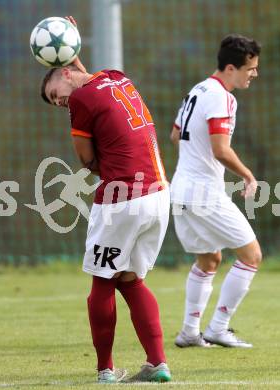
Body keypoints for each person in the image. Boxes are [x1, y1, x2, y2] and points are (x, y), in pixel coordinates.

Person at [40, 16, 171, 384]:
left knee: (102, 282)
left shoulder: (80, 99)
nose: (60, 103)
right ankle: (158, 363)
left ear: (62, 73)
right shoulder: (116, 77)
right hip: (159, 194)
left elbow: (85, 160)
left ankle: (105, 371)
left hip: (121, 199)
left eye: (55, 95)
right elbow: (84, 76)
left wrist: (106, 161)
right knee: (130, 280)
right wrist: (74, 45)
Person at [170, 34, 262, 348]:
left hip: (181, 188)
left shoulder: (197, 89)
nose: (254, 74)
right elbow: (221, 149)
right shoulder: (223, 97)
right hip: (203, 193)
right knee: (251, 256)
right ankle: (219, 328)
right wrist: (248, 174)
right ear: (232, 68)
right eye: (250, 69)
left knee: (209, 261)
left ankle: (189, 333)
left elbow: (174, 135)